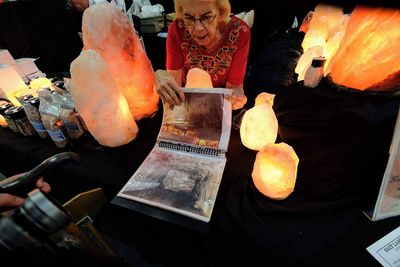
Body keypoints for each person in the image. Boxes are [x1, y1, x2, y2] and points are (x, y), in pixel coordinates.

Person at [155, 0, 250, 110]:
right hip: (189, 104)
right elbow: (174, 86)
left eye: (206, 17)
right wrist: (159, 77)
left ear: (220, 11)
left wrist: (236, 97)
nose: (198, 28)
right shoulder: (177, 29)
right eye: (189, 18)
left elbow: (234, 87)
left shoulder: (239, 31)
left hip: (221, 106)